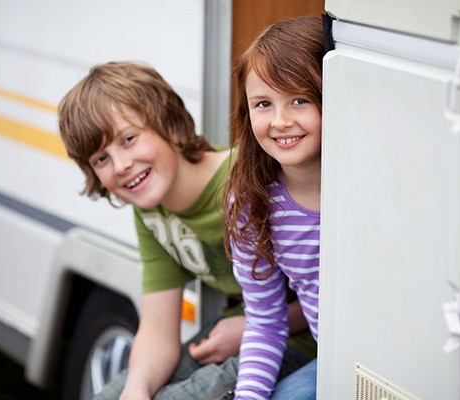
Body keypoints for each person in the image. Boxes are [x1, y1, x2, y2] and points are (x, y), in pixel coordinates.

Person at [57, 61, 315, 400]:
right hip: (246, 332)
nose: (121, 165)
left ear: (171, 127)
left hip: (299, 341)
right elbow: (157, 330)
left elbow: (323, 292)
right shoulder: (150, 212)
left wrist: (252, 330)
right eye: (100, 159)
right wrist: (136, 390)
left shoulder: (247, 180)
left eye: (129, 140)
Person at [224, 16, 325, 400]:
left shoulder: (366, 190)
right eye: (264, 103)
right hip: (334, 360)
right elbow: (266, 322)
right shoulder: (253, 203)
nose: (281, 121)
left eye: (300, 99)